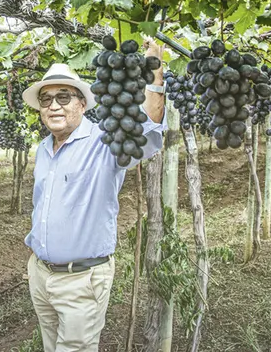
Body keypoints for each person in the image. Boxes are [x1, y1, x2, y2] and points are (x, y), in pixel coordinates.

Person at [20, 40, 166, 352]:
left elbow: (150, 127)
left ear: (83, 104)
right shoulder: (44, 149)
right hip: (41, 275)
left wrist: (154, 69)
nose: (54, 106)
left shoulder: (105, 142)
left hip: (81, 280)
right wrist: (36, 261)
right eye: (46, 100)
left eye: (63, 97)